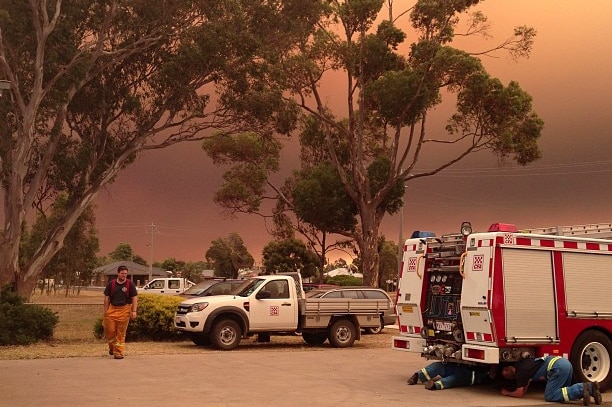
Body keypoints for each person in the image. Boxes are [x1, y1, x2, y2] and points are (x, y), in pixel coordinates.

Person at [499, 355, 602, 405]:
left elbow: (519, 393)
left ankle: (582, 388)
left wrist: (506, 392)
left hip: (557, 367)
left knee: (550, 396)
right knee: (563, 392)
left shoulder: (520, 373)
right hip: (564, 363)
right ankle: (592, 389)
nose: (510, 378)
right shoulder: (523, 364)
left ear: (510, 369)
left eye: (508, 376)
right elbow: (527, 382)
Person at [103, 265, 138, 359]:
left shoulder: (130, 284)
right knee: (110, 331)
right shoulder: (111, 284)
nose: (124, 275)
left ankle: (118, 352)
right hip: (112, 309)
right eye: (122, 273)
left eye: (126, 274)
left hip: (125, 310)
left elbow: (134, 298)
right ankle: (112, 347)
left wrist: (134, 311)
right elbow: (107, 298)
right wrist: (105, 312)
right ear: (118, 273)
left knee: (121, 333)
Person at [407, 361, 495, 390]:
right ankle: (417, 376)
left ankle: (435, 386)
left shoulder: (491, 375)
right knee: (438, 366)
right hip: (459, 366)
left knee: (453, 379)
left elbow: (492, 376)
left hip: (470, 375)